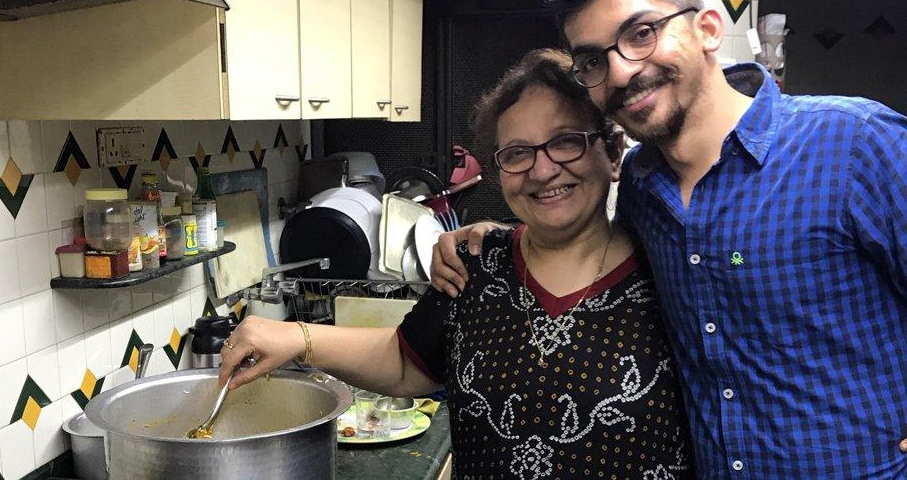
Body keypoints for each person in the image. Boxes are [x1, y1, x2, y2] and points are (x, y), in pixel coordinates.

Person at [432, 0, 907, 478]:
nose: (620, 71)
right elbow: (577, 241)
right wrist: (496, 236)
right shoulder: (641, 188)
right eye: (593, 58)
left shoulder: (853, 144)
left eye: (641, 33)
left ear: (707, 28)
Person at [221, 49, 693, 478]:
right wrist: (299, 337)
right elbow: (409, 362)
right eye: (517, 153)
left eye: (566, 142)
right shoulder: (475, 264)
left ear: (612, 154)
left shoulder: (672, 274)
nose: (543, 169)